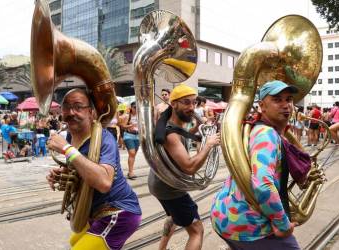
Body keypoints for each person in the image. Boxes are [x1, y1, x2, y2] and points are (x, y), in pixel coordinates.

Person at [46, 88, 141, 250]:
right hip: (95, 212)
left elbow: (104, 182)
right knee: (73, 243)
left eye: (78, 106)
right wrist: (63, 175)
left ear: (90, 112)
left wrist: (67, 149)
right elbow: (82, 168)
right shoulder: (70, 135)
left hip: (118, 213)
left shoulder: (105, 138)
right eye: (66, 107)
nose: (71, 112)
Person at [211, 80, 301, 249]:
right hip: (249, 225)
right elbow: (263, 184)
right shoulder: (267, 134)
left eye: (289, 99)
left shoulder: (255, 129)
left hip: (226, 216)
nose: (286, 105)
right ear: (262, 106)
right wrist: (282, 225)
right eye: (277, 99)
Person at [150, 84, 220, 250]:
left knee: (174, 217)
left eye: (194, 103)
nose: (191, 107)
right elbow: (189, 167)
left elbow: (185, 137)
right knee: (197, 231)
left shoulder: (175, 125)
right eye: (186, 103)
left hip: (160, 184)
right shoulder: (172, 134)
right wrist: (208, 145)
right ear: (173, 104)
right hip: (170, 188)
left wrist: (197, 127)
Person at [122, 102, 139, 179]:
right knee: (132, 153)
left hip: (137, 136)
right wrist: (130, 125)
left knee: (133, 154)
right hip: (128, 135)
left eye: (137, 107)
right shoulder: (127, 116)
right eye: (134, 107)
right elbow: (123, 126)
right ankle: (131, 172)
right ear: (131, 108)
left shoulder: (140, 116)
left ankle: (130, 171)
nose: (136, 109)